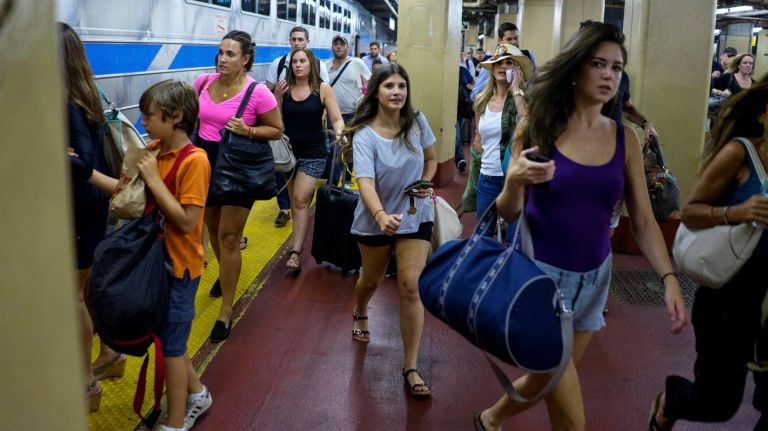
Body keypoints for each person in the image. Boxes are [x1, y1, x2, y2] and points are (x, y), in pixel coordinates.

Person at [473, 23, 688, 431]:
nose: (610, 75)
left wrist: (670, 278)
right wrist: (516, 179)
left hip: (594, 281)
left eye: (617, 68)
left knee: (547, 377)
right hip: (540, 280)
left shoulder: (624, 140)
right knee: (572, 419)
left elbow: (641, 219)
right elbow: (507, 213)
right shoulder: (537, 128)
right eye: (599, 64)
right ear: (575, 69)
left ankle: (490, 418)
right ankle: (491, 418)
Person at [89, 79, 214, 431]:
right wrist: (86, 173)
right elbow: (126, 194)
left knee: (172, 347)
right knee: (169, 338)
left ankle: (175, 421)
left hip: (179, 267)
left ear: (176, 117)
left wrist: (155, 181)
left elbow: (188, 222)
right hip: (153, 262)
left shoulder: (195, 161)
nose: (143, 123)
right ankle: (198, 393)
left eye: (149, 116)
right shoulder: (154, 150)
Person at [648, 83, 768, 431]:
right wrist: (738, 212)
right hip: (729, 302)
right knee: (716, 404)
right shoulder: (739, 154)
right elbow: (691, 212)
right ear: (762, 114)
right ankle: (670, 402)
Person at [341, 63, 438, 399]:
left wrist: (426, 183)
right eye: (390, 86)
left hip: (415, 215)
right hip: (375, 219)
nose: (397, 92)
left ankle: (410, 366)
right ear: (376, 92)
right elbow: (364, 181)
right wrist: (380, 214)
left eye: (402, 86)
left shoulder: (417, 123)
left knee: (411, 286)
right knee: (371, 279)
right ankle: (361, 309)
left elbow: (432, 160)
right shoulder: (365, 134)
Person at [194, 31, 283, 342]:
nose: (222, 59)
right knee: (215, 230)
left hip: (237, 169)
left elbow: (276, 130)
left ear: (246, 59)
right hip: (205, 165)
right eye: (220, 52)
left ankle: (226, 310)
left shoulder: (259, 93)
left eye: (230, 54)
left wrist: (247, 130)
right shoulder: (203, 83)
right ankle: (225, 270)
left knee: (229, 237)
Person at [60, 22, 111, 413]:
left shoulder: (69, 104)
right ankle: (111, 354)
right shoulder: (86, 94)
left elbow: (85, 162)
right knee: (88, 289)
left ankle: (86, 385)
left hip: (80, 204)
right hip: (90, 205)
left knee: (75, 295)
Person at [273, 47, 344, 272]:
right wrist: (276, 98)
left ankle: (295, 251)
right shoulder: (284, 88)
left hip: (313, 153)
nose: (298, 65)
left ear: (311, 64)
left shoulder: (322, 88)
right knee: (296, 202)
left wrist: (341, 133)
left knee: (302, 199)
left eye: (302, 61)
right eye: (294, 62)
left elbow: (336, 118)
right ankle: (298, 240)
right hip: (290, 154)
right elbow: (277, 122)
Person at [266, 26, 330, 228]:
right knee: (281, 170)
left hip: (311, 139)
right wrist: (276, 95)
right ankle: (284, 208)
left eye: (300, 39)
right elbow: (268, 93)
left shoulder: (319, 65)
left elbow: (324, 96)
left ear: (307, 41)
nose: (296, 42)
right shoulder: (278, 64)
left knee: (300, 197)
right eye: (293, 39)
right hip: (285, 136)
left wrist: (323, 116)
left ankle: (297, 214)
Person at [471, 43, 531, 221]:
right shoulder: (482, 100)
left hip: (515, 179)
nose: (503, 66)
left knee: (514, 238)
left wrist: (516, 89)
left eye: (509, 63)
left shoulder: (524, 100)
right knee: (482, 234)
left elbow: (528, 126)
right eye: (498, 63)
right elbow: (478, 139)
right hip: (487, 177)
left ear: (517, 70)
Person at [326, 34, 371, 185]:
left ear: (347, 47)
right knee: (335, 149)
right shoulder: (326, 66)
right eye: (335, 44)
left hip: (353, 114)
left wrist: (367, 101)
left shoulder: (356, 63)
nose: (338, 46)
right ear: (332, 47)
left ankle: (346, 180)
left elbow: (371, 81)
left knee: (350, 148)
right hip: (333, 115)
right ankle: (332, 184)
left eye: (342, 44)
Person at [471, 22, 536, 102]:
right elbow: (475, 94)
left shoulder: (528, 57)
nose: (514, 42)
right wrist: (495, 102)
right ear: (500, 41)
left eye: (516, 38)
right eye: (509, 39)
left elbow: (534, 83)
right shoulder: (492, 64)